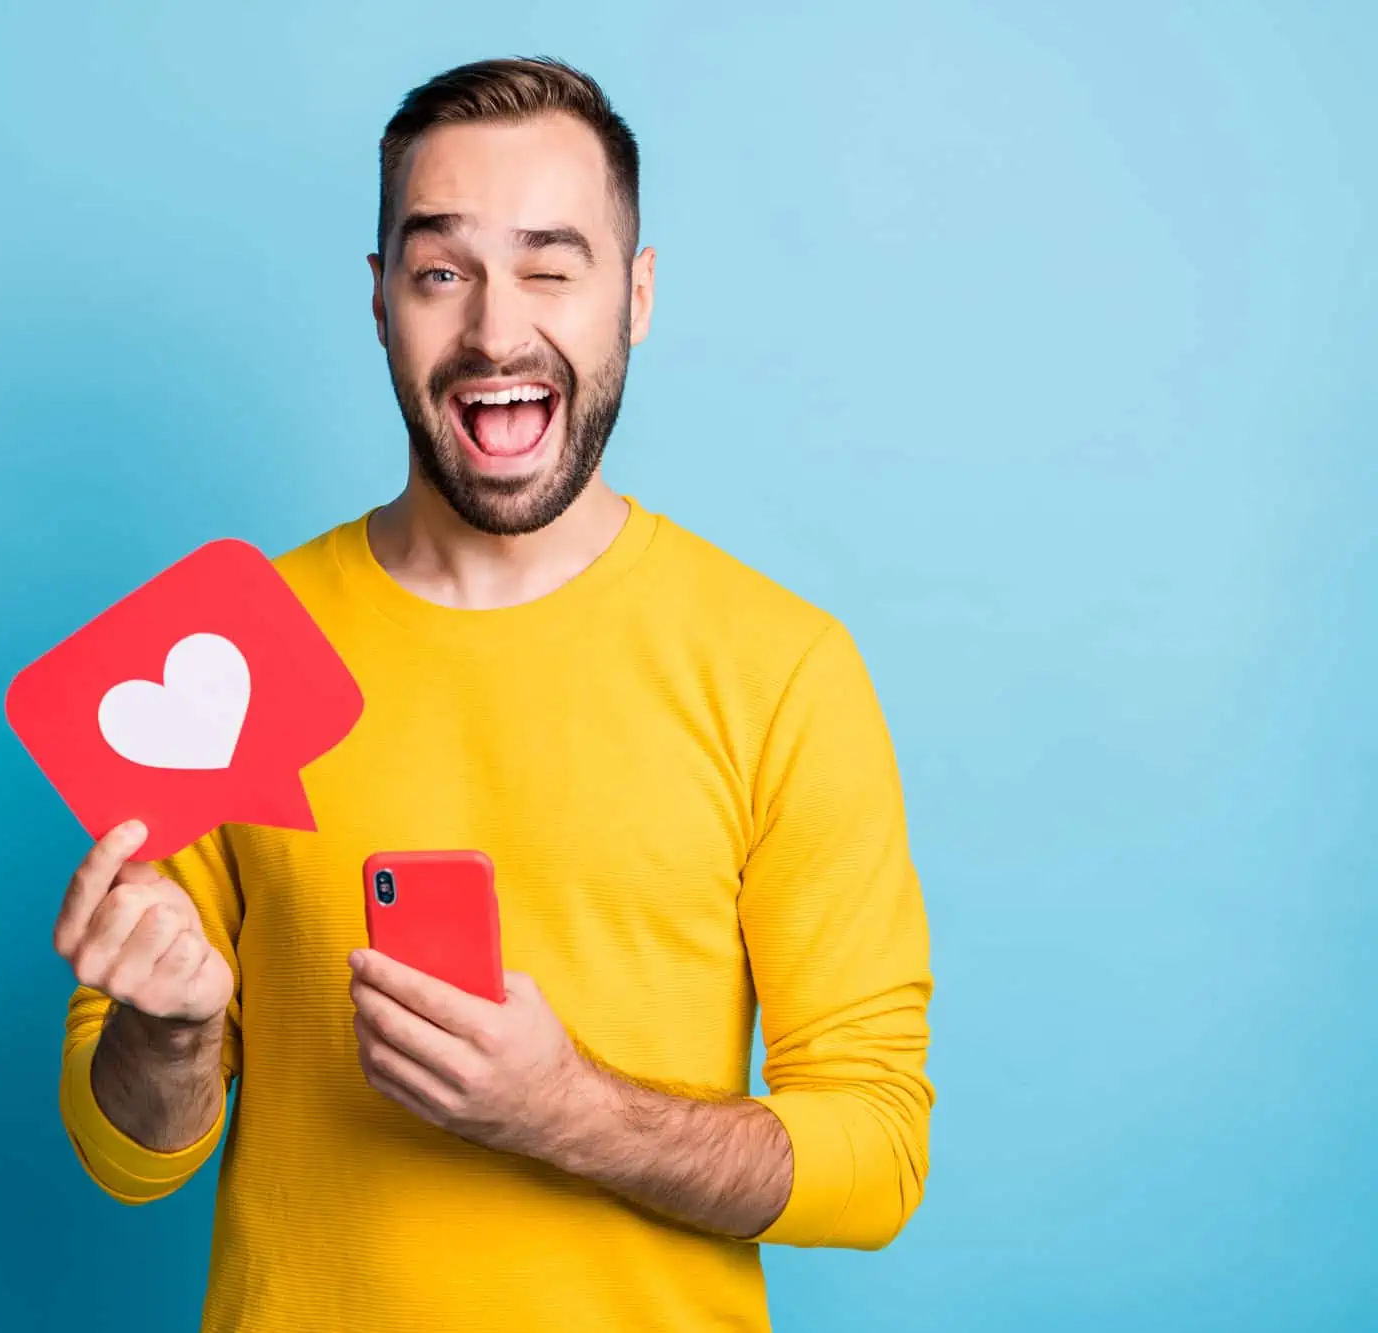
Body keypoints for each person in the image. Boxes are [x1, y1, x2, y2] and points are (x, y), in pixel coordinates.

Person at [51, 55, 934, 1333]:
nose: (493, 333)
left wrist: (567, 1112)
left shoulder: (780, 667)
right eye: (440, 272)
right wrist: (171, 1038)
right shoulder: (224, 655)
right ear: (378, 301)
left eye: (549, 267)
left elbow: (876, 1153)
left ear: (635, 296)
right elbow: (130, 1158)